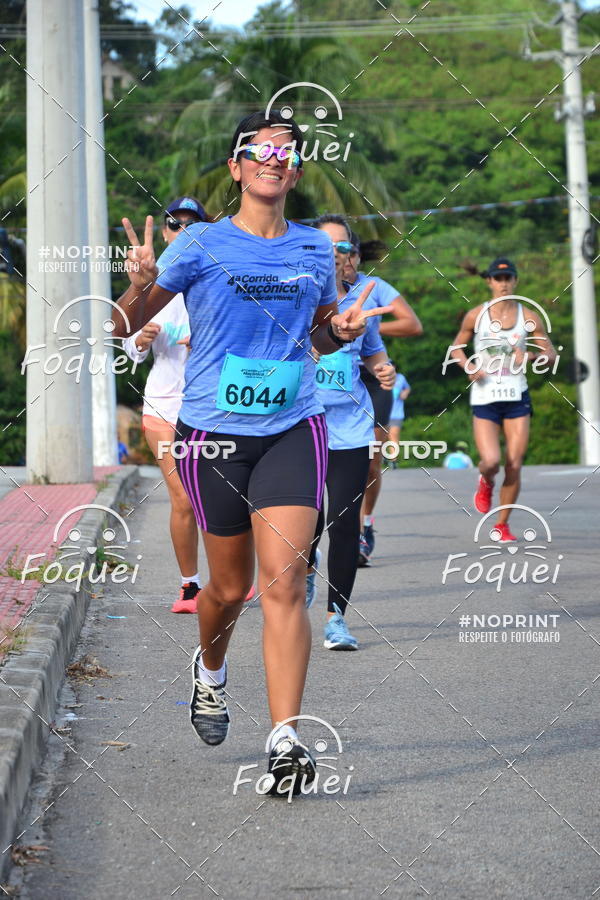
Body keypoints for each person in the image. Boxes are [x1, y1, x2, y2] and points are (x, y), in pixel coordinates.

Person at [113, 110, 390, 794]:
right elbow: (120, 324)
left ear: (294, 170)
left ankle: (285, 739)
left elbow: (320, 335)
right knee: (228, 589)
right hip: (215, 435)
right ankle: (210, 672)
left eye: (286, 150)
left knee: (286, 582)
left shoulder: (311, 250)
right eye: (260, 148)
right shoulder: (201, 244)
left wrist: (341, 328)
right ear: (238, 166)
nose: (274, 157)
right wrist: (141, 279)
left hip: (295, 426)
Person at [307, 214, 395, 650]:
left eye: (344, 248)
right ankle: (305, 566)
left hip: (349, 426)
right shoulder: (296, 297)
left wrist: (383, 370)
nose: (337, 255)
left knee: (343, 521)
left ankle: (335, 619)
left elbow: (375, 353)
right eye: (328, 247)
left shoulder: (362, 304)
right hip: (298, 424)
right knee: (308, 520)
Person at [123, 198, 208, 614]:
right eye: (176, 224)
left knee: (223, 499)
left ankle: (234, 579)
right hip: (162, 407)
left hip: (213, 407)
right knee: (184, 499)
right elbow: (124, 337)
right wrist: (138, 342)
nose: (184, 230)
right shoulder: (157, 287)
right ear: (166, 232)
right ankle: (190, 586)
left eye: (195, 225)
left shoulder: (215, 283)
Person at [448, 257, 556, 540]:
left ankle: (502, 523)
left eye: (508, 279)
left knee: (515, 463)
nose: (503, 284)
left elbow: (550, 353)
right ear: (489, 282)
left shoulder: (529, 317)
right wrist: (469, 367)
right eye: (498, 279)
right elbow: (456, 348)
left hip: (516, 395)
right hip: (485, 396)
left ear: (515, 282)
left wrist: (532, 355)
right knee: (492, 461)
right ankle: (485, 480)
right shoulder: (476, 315)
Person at [342, 235, 422, 566]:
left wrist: (368, 329)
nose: (343, 258)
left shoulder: (373, 286)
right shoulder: (313, 283)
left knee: (370, 460)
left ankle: (364, 525)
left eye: (349, 251)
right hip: (327, 380)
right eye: (336, 250)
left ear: (359, 257)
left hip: (371, 377)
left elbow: (411, 323)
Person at [388, 372, 410, 466]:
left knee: (393, 435)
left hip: (396, 414)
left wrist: (405, 393)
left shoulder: (400, 378)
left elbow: (407, 388)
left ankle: (393, 460)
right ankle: (384, 455)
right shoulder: (378, 376)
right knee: (383, 437)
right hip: (382, 413)